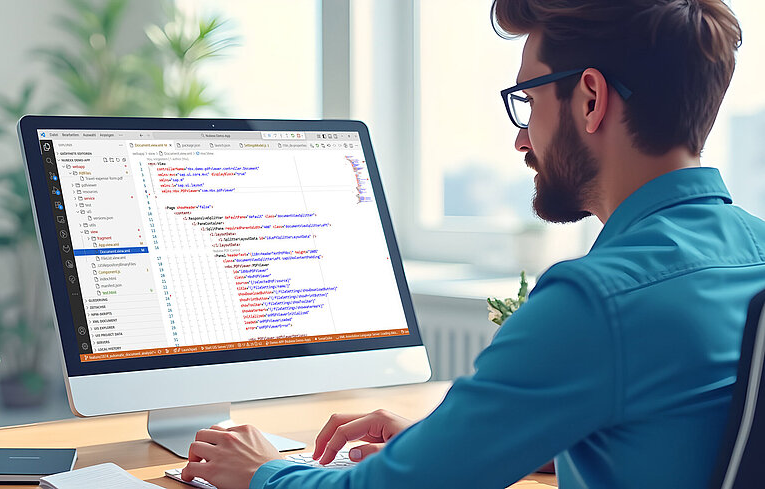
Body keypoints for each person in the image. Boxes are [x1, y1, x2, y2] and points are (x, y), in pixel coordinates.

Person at [181, 1, 765, 487]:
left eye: (529, 101)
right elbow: (688, 436)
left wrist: (262, 470)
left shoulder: (597, 301)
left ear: (590, 99)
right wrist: (460, 445)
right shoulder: (754, 252)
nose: (520, 139)